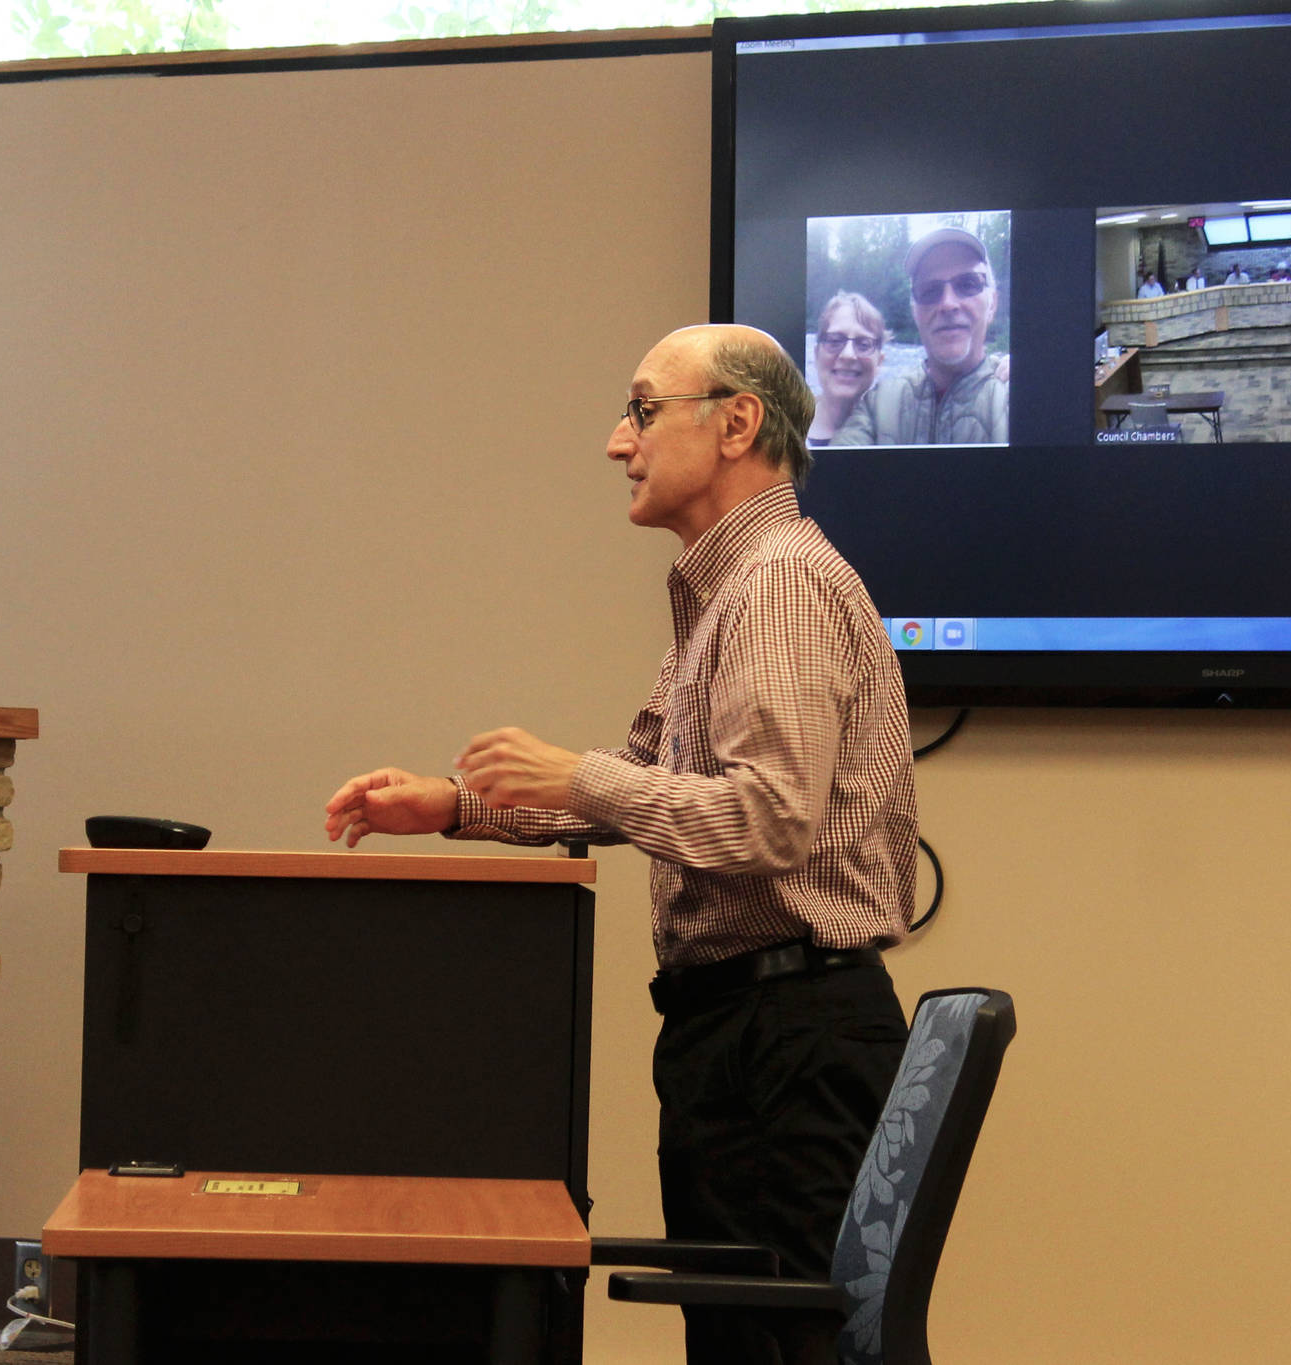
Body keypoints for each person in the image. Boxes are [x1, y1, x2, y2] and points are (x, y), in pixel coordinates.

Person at [325, 323, 916, 1365]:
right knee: (737, 1344)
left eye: (642, 409)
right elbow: (645, 787)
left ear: (736, 422)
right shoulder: (722, 588)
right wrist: (457, 808)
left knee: (775, 1352)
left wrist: (575, 774)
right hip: (745, 1029)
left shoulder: (776, 581)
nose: (616, 441)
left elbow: (767, 819)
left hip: (787, 1036)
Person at [834, 227, 1010, 445]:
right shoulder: (877, 407)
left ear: (992, 303)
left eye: (967, 284)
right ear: (915, 311)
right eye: (929, 290)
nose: (948, 304)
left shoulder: (1019, 397)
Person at [807, 290, 887, 446]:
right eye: (835, 341)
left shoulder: (895, 435)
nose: (848, 355)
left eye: (863, 344)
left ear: (879, 361)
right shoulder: (784, 430)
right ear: (816, 354)